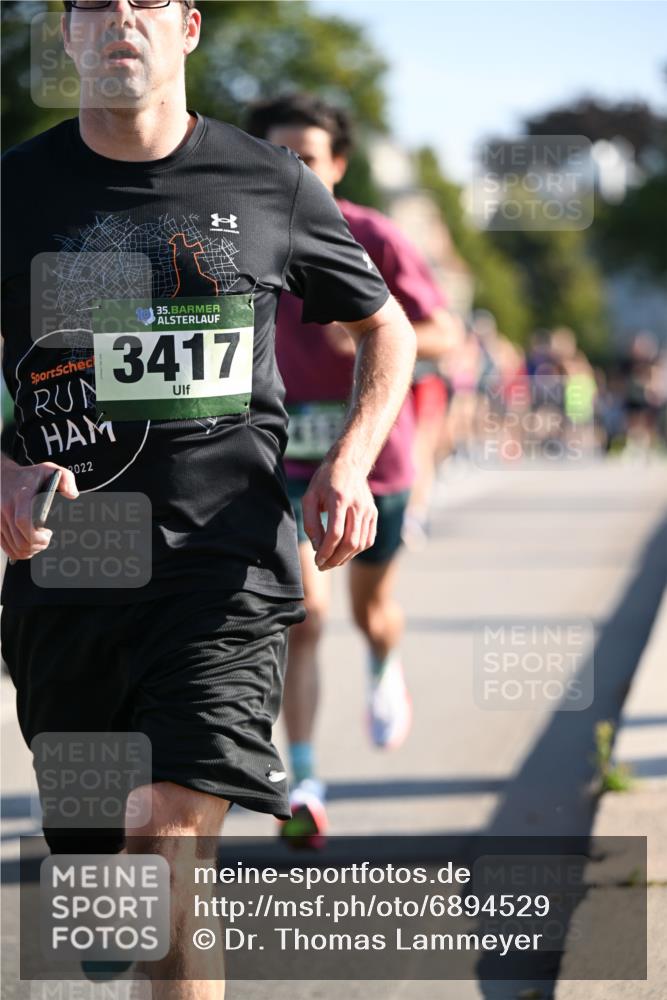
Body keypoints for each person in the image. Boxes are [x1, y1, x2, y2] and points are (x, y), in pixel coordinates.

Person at [0, 3, 417, 996]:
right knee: (111, 855)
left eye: (144, 1)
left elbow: (387, 328)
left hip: (222, 572)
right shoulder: (14, 190)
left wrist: (348, 462)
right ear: (68, 36)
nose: (120, 19)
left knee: (169, 841)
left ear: (187, 27)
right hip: (70, 570)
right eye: (93, 4)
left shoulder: (269, 181)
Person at [245, 94, 453, 846]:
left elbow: (444, 334)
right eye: (279, 155)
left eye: (307, 156)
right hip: (283, 458)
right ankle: (303, 780)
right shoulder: (235, 232)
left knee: (370, 611)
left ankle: (383, 661)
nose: (293, 169)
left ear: (337, 165)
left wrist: (366, 329)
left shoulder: (373, 236)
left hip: (372, 462)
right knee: (303, 615)